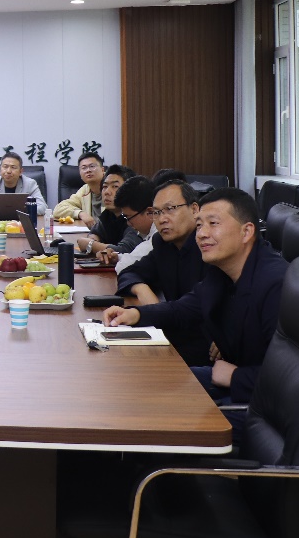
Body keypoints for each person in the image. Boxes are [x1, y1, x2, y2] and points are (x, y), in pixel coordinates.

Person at [104, 189, 285, 441]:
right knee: (145, 384)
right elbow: (183, 308)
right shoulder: (222, 271)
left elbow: (286, 384)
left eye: (213, 224)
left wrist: (234, 376)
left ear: (246, 232)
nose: (201, 234)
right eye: (199, 225)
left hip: (261, 408)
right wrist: (135, 314)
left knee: (153, 417)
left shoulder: (276, 285)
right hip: (230, 380)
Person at [113, 180, 211, 366]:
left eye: (170, 209)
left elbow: (192, 308)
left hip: (204, 347)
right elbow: (129, 272)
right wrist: (142, 289)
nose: (162, 219)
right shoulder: (163, 244)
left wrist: (140, 313)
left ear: (194, 209)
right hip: (174, 334)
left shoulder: (209, 246)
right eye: (157, 212)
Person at [99, 175, 158, 272]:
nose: (128, 223)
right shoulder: (148, 232)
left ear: (150, 212)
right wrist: (117, 257)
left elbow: (124, 267)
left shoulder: (159, 235)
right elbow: (137, 257)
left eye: (129, 217)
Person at [77, 164, 134, 254]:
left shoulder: (135, 217)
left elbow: (124, 250)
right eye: (105, 187)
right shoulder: (109, 214)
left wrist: (91, 245)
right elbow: (95, 232)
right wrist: (93, 238)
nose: (107, 192)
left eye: (115, 186)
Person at [0, 152, 47, 216]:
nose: (8, 171)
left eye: (13, 167)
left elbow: (43, 207)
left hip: (22, 223)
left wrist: (18, 212)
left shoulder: (30, 184)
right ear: (0, 169)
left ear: (20, 171)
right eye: (5, 166)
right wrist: (1, 212)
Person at [53, 151, 105, 225]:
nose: (88, 170)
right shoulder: (85, 190)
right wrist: (80, 213)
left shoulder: (113, 187)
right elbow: (58, 209)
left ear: (102, 170)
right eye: (84, 168)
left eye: (92, 166)